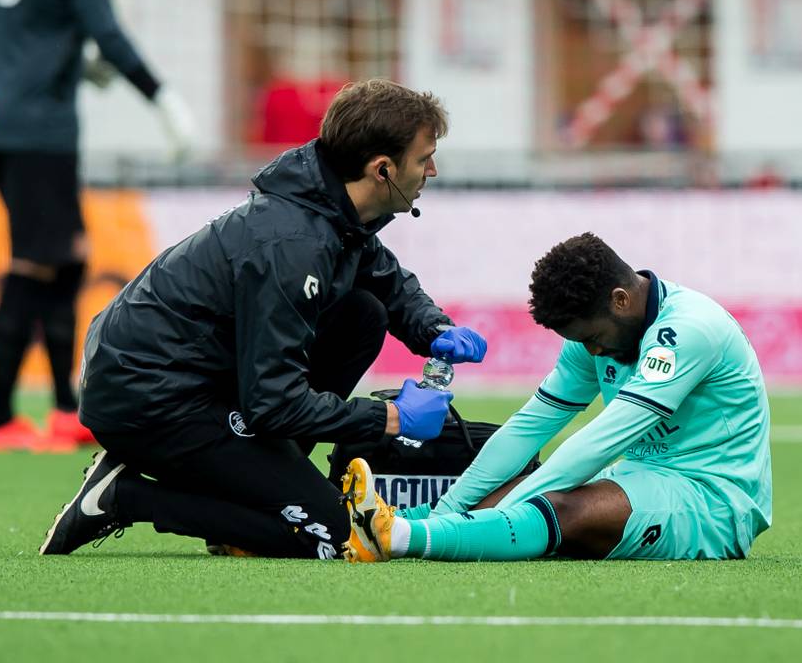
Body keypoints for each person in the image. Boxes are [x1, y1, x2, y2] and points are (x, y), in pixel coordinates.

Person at [37, 79, 489, 559]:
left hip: (191, 382)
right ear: (383, 169)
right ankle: (121, 496)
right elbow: (273, 403)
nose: (432, 170)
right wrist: (391, 418)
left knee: (363, 315)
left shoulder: (333, 208)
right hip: (147, 400)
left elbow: (386, 280)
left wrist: (433, 328)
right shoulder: (294, 246)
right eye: (423, 159)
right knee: (334, 535)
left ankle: (259, 489)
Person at [343, 232, 772, 563]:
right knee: (510, 493)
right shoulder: (594, 336)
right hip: (643, 478)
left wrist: (505, 513)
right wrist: (453, 506)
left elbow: (601, 440)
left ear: (620, 300)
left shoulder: (689, 331)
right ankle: (381, 523)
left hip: (713, 502)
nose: (594, 352)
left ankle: (397, 538)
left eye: (593, 338)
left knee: (556, 506)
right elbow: (529, 427)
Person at [0, 0, 193, 452]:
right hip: (38, 127)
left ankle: (64, 410)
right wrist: (161, 97)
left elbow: (26, 20)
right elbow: (104, 27)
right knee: (34, 261)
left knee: (66, 259)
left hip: (3, 113)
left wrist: (70, 64)